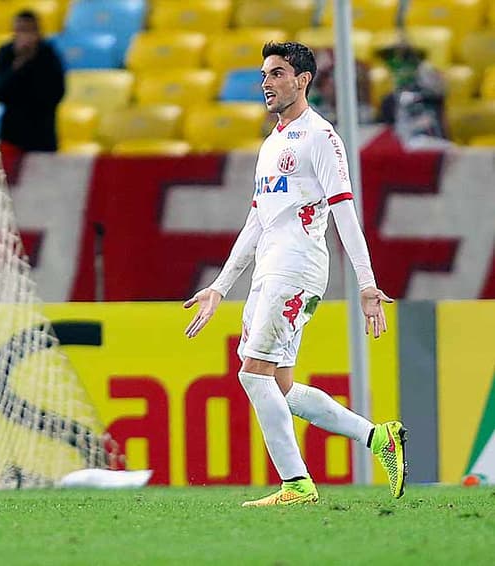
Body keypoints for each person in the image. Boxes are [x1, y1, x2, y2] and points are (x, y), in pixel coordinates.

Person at [183, 42, 406, 507]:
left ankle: (296, 484)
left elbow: (345, 212)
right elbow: (257, 221)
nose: (267, 82)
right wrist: (221, 287)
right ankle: (380, 438)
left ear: (303, 80)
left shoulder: (321, 138)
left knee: (252, 374)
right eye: (264, 74)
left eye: (278, 73)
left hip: (297, 266)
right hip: (269, 267)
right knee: (279, 385)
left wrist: (366, 283)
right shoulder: (272, 143)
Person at [0, 10, 65, 152]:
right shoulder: (5, 53)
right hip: (12, 135)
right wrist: (18, 65)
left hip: (43, 135)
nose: (25, 36)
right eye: (20, 31)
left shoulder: (48, 54)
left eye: (28, 31)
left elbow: (57, 93)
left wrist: (33, 63)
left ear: (38, 32)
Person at [377, 41, 450, 149]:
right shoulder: (389, 102)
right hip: (399, 152)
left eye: (406, 60)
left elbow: (439, 90)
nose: (400, 69)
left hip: (431, 149)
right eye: (393, 62)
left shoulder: (429, 96)